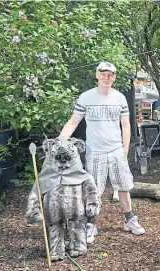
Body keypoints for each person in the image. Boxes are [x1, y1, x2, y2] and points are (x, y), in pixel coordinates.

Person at [59, 61, 145, 244]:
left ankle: (129, 219)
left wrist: (125, 149)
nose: (107, 77)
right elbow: (74, 122)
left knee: (123, 186)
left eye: (110, 75)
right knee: (94, 190)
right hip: (95, 152)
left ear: (114, 77)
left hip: (116, 151)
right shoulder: (86, 97)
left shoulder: (120, 98)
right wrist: (60, 142)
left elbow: (126, 125)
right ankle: (91, 224)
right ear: (97, 75)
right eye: (103, 74)